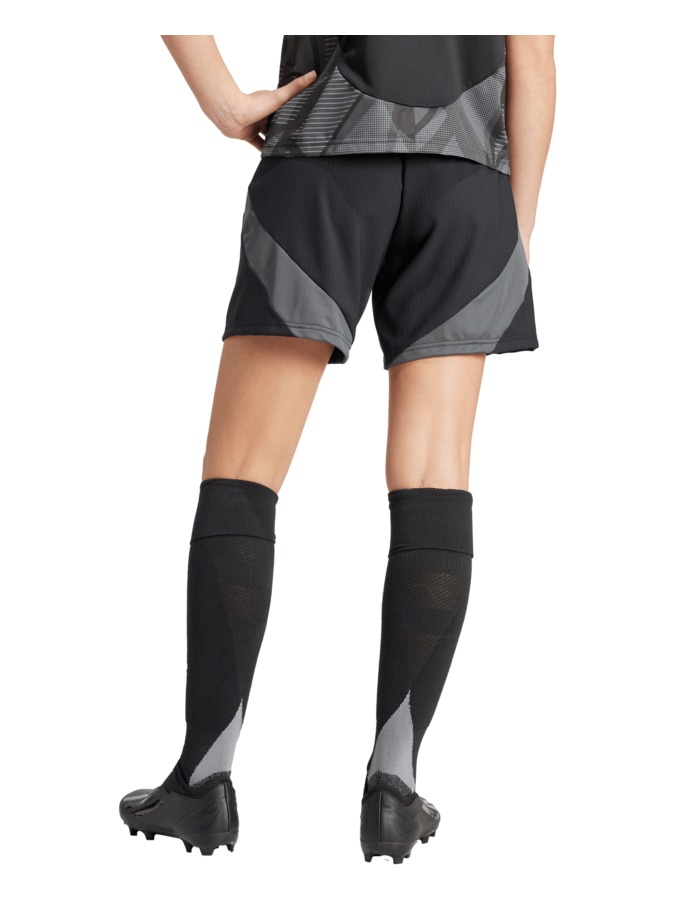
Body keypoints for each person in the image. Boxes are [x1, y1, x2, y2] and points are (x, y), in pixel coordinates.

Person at [119, 34, 556, 863]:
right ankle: (393, 786)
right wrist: (516, 225)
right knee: (433, 476)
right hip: (470, 184)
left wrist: (222, 100)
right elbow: (531, 54)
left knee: (244, 473)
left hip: (324, 155)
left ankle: (202, 782)